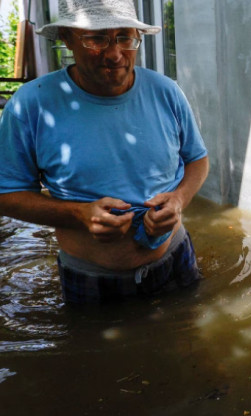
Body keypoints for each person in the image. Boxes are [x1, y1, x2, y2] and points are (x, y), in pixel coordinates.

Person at [0, 0, 209, 303]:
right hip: (90, 277)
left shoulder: (166, 91)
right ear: (67, 38)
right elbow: (6, 195)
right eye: (96, 38)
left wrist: (178, 200)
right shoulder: (31, 105)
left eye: (125, 37)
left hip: (175, 255)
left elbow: (197, 159)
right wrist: (78, 214)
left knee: (190, 340)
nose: (114, 54)